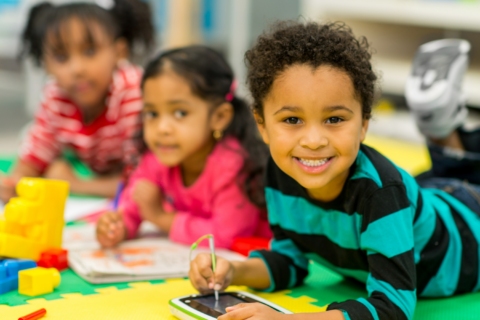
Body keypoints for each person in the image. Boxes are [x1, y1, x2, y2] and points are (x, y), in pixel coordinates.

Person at [188, 21, 480, 320]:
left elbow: (393, 308)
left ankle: (444, 131)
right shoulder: (280, 173)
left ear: (364, 123)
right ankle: (444, 131)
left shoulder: (380, 194)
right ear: (262, 124)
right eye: (291, 120)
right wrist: (234, 270)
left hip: (469, 222)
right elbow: (291, 260)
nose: (313, 142)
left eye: (334, 119)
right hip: (430, 198)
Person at [96, 45, 272, 249]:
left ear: (219, 117)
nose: (162, 128)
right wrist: (117, 227)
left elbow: (227, 236)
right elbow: (134, 207)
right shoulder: (158, 158)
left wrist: (161, 218)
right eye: (152, 114)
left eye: (180, 113)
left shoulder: (233, 166)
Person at [0, 0, 154, 203]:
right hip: (109, 175)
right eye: (62, 57)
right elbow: (37, 151)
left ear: (119, 52)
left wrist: (75, 184)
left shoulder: (133, 92)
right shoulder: (56, 95)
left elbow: (145, 181)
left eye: (90, 51)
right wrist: (14, 182)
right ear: (45, 64)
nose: (77, 69)